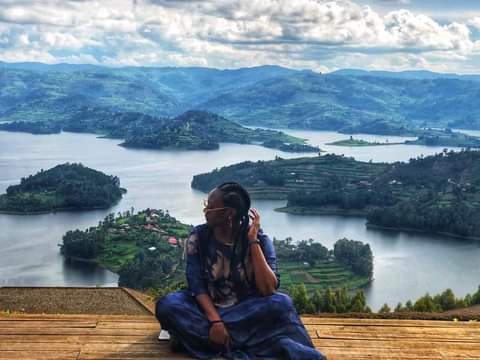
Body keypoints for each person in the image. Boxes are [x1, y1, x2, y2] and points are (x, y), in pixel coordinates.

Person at [155, 182, 325, 359]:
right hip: (207, 309)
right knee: (167, 305)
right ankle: (258, 343)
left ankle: (198, 340)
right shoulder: (199, 236)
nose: (205, 210)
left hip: (247, 311)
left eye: (211, 207)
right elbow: (196, 286)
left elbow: (268, 289)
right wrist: (215, 321)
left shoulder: (260, 239)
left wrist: (252, 241)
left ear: (229, 213)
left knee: (281, 303)